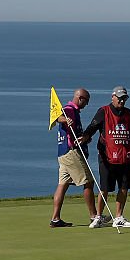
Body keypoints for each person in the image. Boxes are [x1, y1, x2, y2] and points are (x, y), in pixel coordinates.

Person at [79, 85, 130, 228]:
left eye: (124, 99)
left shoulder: (129, 113)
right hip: (107, 157)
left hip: (126, 156)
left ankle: (118, 217)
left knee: (124, 187)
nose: (122, 101)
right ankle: (98, 217)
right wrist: (84, 137)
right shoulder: (103, 111)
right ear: (113, 97)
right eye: (120, 98)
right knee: (104, 188)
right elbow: (92, 128)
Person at [50, 88, 98, 227]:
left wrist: (84, 139)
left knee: (63, 185)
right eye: (86, 101)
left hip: (63, 153)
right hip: (71, 153)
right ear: (80, 98)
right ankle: (94, 216)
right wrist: (66, 119)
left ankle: (55, 218)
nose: (87, 104)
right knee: (88, 182)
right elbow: (58, 117)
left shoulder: (74, 111)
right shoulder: (69, 109)